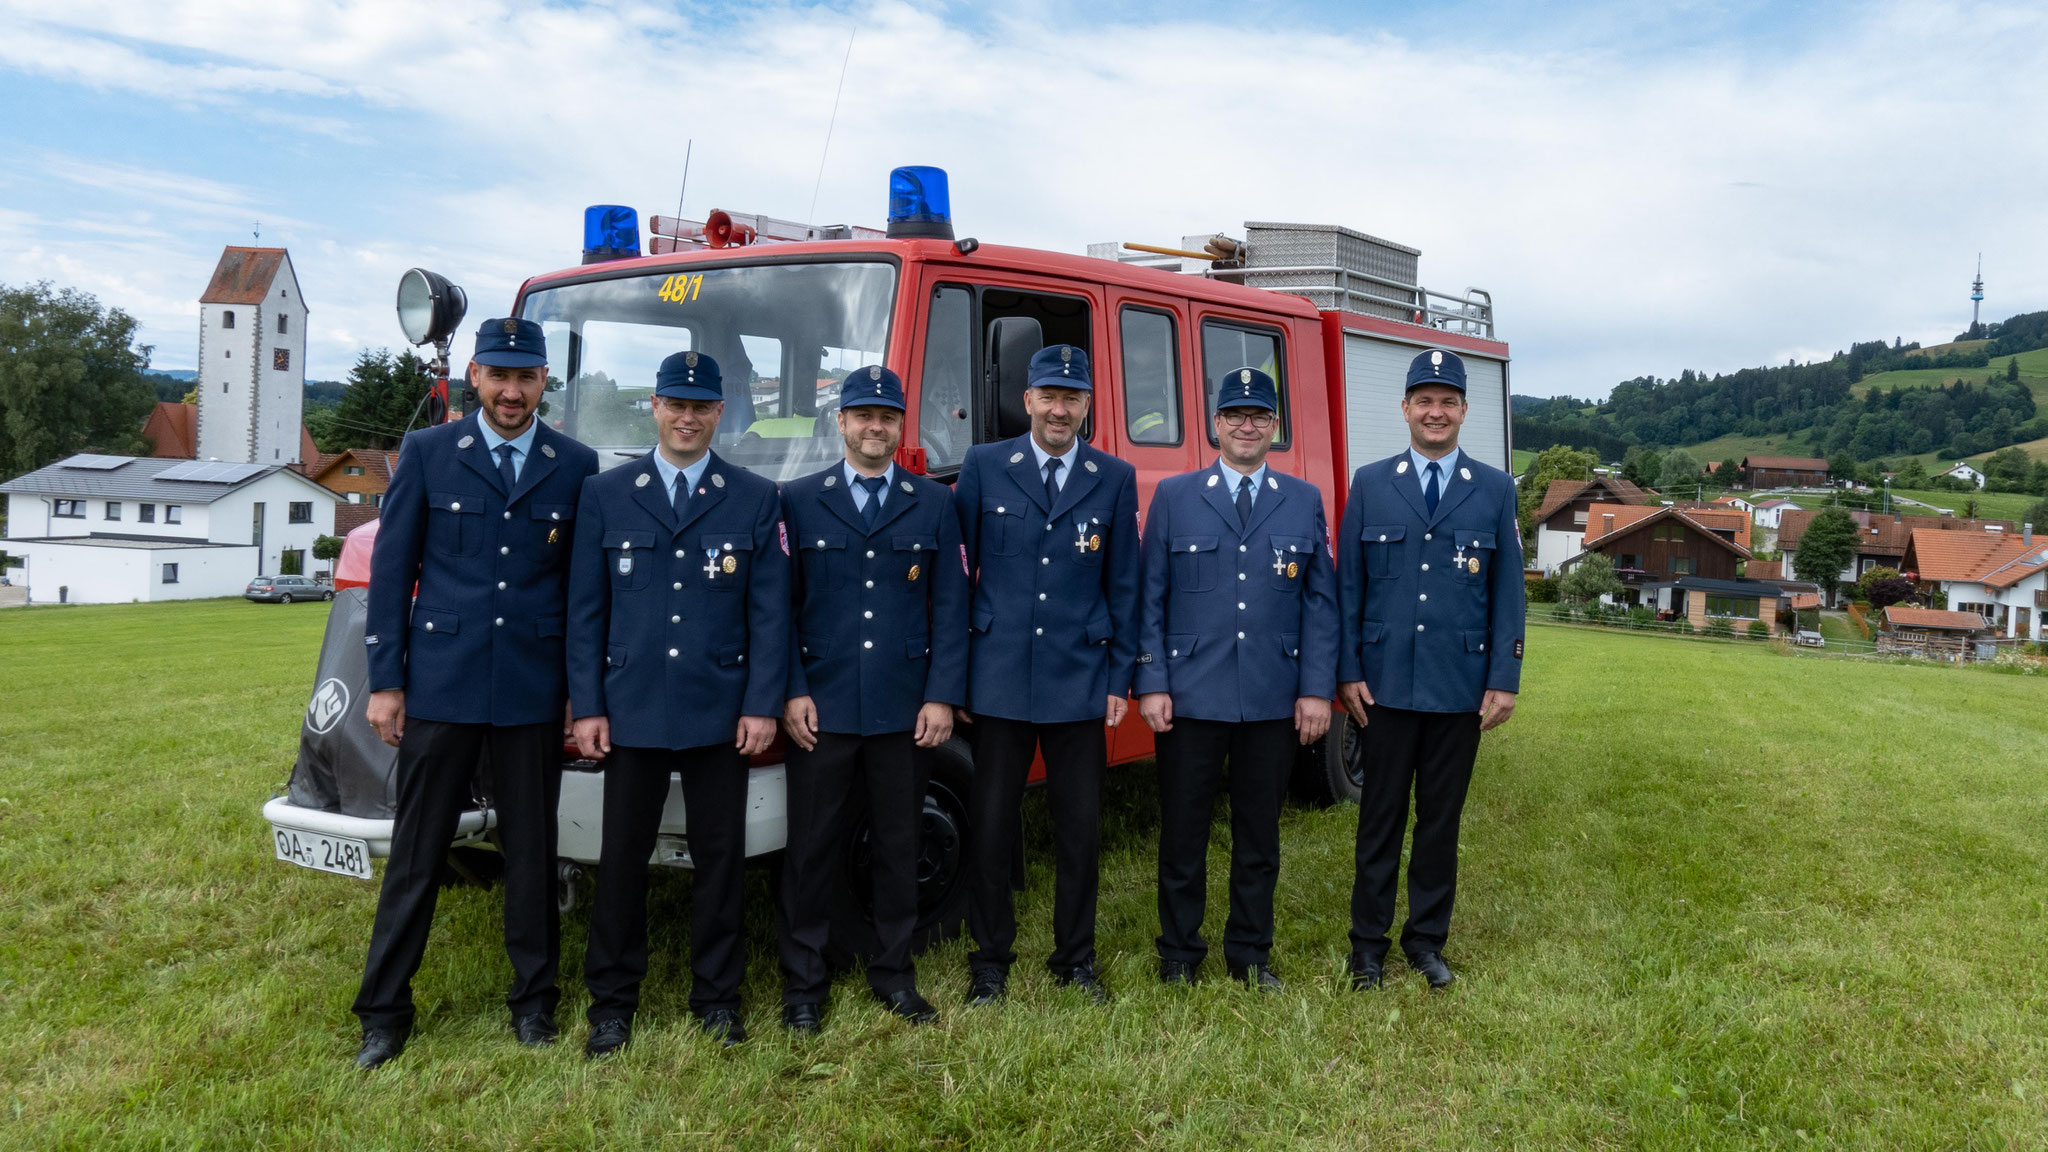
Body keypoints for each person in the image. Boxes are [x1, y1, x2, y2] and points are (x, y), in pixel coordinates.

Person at [352, 318, 599, 1070]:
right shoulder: (429, 454)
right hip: (442, 688)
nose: (513, 391)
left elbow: (582, 595)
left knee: (531, 854)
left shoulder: (575, 464)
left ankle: (533, 1004)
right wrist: (386, 684)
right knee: (418, 855)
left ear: (544, 382)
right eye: (499, 375)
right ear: (476, 379)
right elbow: (392, 577)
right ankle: (384, 1014)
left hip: (530, 688)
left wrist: (577, 694)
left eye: (526, 377)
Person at [565, 350, 788, 1054]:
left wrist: (761, 704)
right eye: (675, 404)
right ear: (654, 408)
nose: (687, 417)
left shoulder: (755, 498)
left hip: (720, 708)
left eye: (701, 407)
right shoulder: (606, 494)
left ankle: (718, 998)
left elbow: (770, 613)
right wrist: (588, 704)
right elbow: (586, 612)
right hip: (629, 707)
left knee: (719, 861)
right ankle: (611, 1003)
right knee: (620, 859)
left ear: (719, 413)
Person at [776, 365, 969, 1032]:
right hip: (821, 710)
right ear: (842, 423)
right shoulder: (798, 501)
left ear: (899, 426)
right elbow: (782, 610)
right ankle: (803, 986)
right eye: (862, 416)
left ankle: (894, 973)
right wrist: (792, 691)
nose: (874, 427)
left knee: (897, 843)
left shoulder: (935, 504)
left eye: (886, 417)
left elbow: (951, 608)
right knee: (810, 848)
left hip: (902, 706)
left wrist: (942, 697)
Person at [1134, 367, 1336, 991]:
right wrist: (1152, 681)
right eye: (1235, 414)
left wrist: (1314, 688)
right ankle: (1178, 953)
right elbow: (1151, 598)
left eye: (1260, 415)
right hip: (1191, 693)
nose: (1247, 424)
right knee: (1183, 833)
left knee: (1259, 836)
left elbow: (1320, 604)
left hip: (1273, 697)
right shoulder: (1174, 496)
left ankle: (1250, 952)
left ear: (1275, 427)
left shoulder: (1302, 499)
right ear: (1215, 425)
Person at [953, 344, 1141, 1006]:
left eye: (1074, 398)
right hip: (998, 677)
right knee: (992, 826)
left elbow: (1125, 585)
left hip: (1079, 679)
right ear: (1027, 400)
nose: (1060, 409)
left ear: (1088, 406)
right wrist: (956, 681)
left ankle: (1075, 957)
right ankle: (990, 960)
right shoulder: (983, 467)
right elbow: (957, 580)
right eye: (1049, 396)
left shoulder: (1114, 477)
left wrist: (1120, 679)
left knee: (1079, 830)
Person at [1335, 348, 1525, 991]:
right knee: (1379, 818)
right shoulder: (1370, 482)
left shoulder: (1496, 490)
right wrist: (1347, 668)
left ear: (1464, 411)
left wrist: (1504, 677)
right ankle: (1368, 946)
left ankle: (1425, 940)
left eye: (1447, 402)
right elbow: (1349, 587)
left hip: (1458, 686)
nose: (1435, 412)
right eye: (1425, 401)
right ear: (1406, 409)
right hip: (1383, 686)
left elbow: (1507, 595)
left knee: (1440, 821)